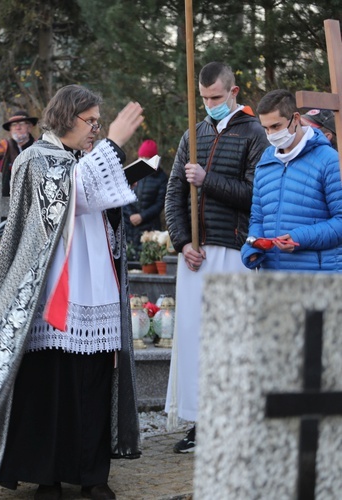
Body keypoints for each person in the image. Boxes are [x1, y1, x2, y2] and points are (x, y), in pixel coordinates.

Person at [0, 85, 143, 500]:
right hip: (50, 293)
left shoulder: (85, 159)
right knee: (51, 388)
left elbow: (100, 200)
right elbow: (68, 197)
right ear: (67, 117)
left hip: (96, 286)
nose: (96, 131)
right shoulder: (34, 159)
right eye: (92, 122)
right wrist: (115, 145)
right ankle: (47, 476)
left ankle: (91, 473)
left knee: (93, 384)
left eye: (100, 124)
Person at [164, 62, 268, 453]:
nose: (210, 105)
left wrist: (209, 182)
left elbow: (256, 195)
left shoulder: (255, 134)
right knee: (192, 339)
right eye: (204, 98)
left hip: (234, 250)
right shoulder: (193, 134)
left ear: (233, 92)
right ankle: (199, 422)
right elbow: (174, 192)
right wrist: (181, 241)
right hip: (196, 253)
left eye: (216, 98)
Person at [241, 89, 342, 270]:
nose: (271, 134)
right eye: (266, 128)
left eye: (276, 126)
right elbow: (257, 218)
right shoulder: (265, 162)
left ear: (296, 119)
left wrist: (299, 238)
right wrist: (253, 244)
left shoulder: (329, 160)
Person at [122, 139, 168, 259]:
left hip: (150, 229)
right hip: (129, 227)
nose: (143, 160)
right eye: (141, 157)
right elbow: (123, 196)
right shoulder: (132, 172)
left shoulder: (161, 178)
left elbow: (159, 204)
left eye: (146, 157)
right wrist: (131, 215)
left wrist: (142, 216)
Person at [0, 110, 38, 196]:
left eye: (21, 123)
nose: (17, 127)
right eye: (13, 125)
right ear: (10, 130)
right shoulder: (1, 149)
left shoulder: (39, 149)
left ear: (30, 127)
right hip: (6, 200)